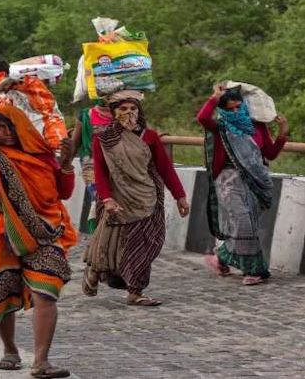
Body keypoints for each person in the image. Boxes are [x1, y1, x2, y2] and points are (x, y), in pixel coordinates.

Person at [0, 78, 77, 378]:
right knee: (2, 291)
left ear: (22, 126)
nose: (6, 132)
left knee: (46, 291)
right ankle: (10, 350)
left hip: (42, 230)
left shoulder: (40, 156)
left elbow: (62, 193)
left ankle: (41, 362)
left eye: (10, 126)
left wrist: (66, 164)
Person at [82, 90, 190, 306]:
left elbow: (165, 168)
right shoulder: (104, 139)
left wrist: (180, 196)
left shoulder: (149, 137)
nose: (129, 113)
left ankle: (135, 289)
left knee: (148, 241)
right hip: (119, 197)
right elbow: (101, 172)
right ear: (114, 112)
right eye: (123, 109)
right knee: (111, 243)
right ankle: (99, 271)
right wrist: (107, 199)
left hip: (148, 197)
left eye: (133, 108)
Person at [199, 85, 289, 285]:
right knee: (243, 223)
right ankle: (254, 270)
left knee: (247, 225)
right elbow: (203, 118)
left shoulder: (257, 127)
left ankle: (222, 256)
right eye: (230, 109)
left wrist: (283, 133)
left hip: (255, 181)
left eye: (239, 107)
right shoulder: (221, 127)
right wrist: (214, 98)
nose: (235, 112)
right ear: (223, 110)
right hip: (229, 181)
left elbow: (271, 154)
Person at [70, 98, 113, 232]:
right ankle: (98, 234)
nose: (108, 96)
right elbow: (75, 143)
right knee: (101, 199)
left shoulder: (124, 114)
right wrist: (64, 168)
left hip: (117, 164)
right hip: (91, 164)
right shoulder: (85, 115)